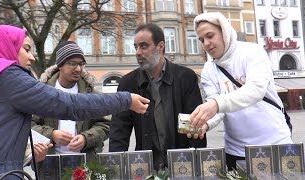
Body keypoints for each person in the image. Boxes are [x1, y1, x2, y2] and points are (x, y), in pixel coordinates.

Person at [0, 25, 149, 178]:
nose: (32, 57)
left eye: (81, 64)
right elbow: (69, 104)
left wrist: (28, 153)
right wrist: (126, 99)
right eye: (26, 49)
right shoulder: (9, 77)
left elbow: (0, 137)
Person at [189, 12, 293, 170]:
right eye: (202, 40)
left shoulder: (252, 52)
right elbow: (217, 108)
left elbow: (255, 90)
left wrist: (216, 104)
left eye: (210, 36)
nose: (206, 43)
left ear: (224, 31)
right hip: (237, 151)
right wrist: (206, 123)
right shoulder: (209, 69)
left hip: (275, 143)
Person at [109, 23, 206, 171]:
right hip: (145, 166)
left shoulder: (185, 77)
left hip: (182, 165)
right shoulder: (128, 83)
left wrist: (197, 165)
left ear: (160, 46)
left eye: (143, 46)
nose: (138, 52)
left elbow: (195, 125)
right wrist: (114, 168)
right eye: (136, 47)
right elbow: (119, 131)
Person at [32, 41, 110, 162]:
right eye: (72, 64)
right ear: (60, 65)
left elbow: (105, 125)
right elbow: (29, 125)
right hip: (49, 164)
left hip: (86, 164)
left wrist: (86, 138)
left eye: (81, 64)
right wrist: (52, 134)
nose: (78, 69)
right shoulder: (43, 93)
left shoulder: (91, 93)